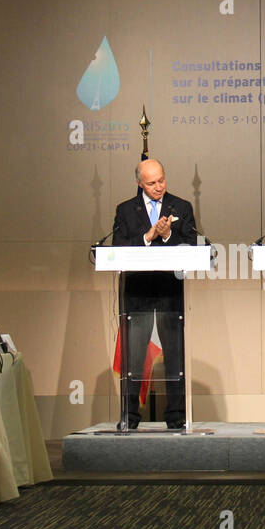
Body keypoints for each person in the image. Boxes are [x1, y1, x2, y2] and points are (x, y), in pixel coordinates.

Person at [112, 158, 197, 430]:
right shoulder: (125, 210)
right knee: (134, 359)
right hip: (137, 294)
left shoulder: (181, 207)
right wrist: (148, 236)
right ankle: (129, 417)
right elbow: (118, 246)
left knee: (175, 358)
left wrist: (169, 234)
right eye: (151, 183)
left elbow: (193, 243)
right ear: (140, 183)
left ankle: (176, 417)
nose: (158, 186)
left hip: (170, 293)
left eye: (161, 180)